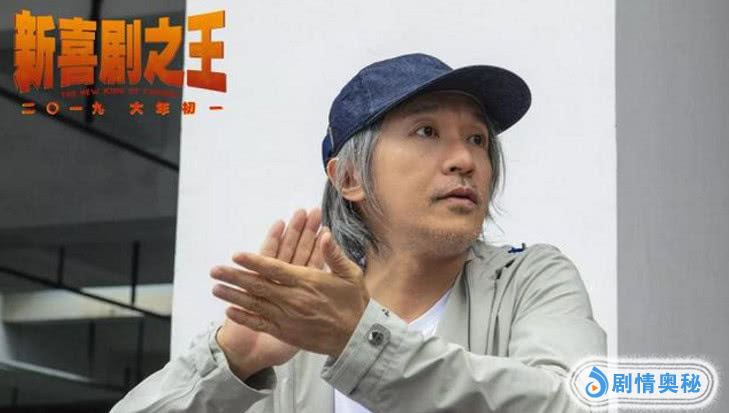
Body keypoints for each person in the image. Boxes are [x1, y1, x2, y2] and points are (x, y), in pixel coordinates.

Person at [111, 53, 606, 412]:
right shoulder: (298, 318)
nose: (465, 159)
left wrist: (361, 341)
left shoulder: (529, 280)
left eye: (477, 139)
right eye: (427, 132)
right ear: (349, 177)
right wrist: (232, 361)